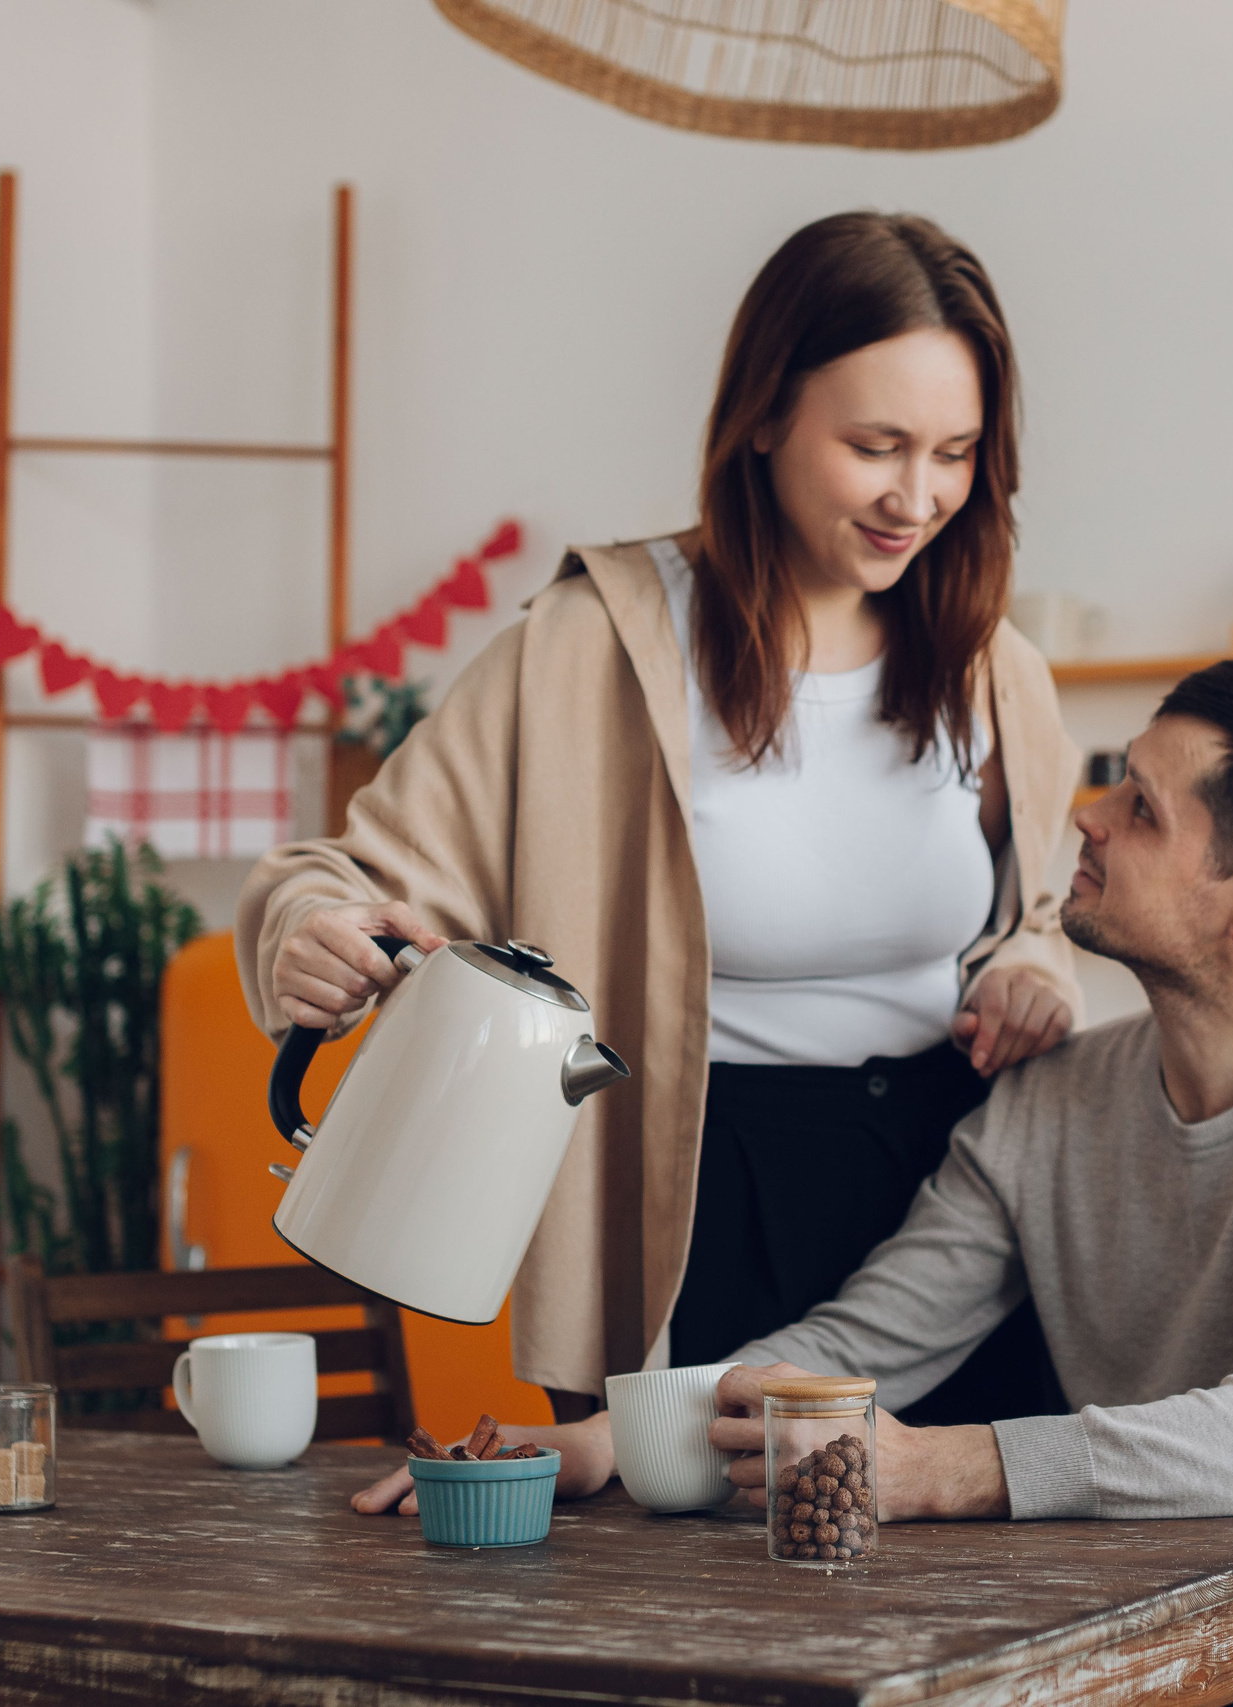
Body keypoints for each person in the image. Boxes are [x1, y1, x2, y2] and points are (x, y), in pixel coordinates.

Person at [413, 657, 1233, 1704]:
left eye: (1142, 811)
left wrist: (942, 1470)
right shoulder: (1052, 1100)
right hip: (1136, 1627)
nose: (1086, 816)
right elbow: (868, 1339)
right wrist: (616, 1441)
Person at [240, 211, 1080, 1436]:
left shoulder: (991, 669)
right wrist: (311, 927)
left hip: (956, 1201)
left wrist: (1030, 971)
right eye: (875, 444)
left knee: (973, 1594)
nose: (920, 496)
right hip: (695, 1192)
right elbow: (346, 871)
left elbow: (1034, 917)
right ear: (761, 416)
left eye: (955, 453)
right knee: (702, 1590)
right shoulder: (593, 649)